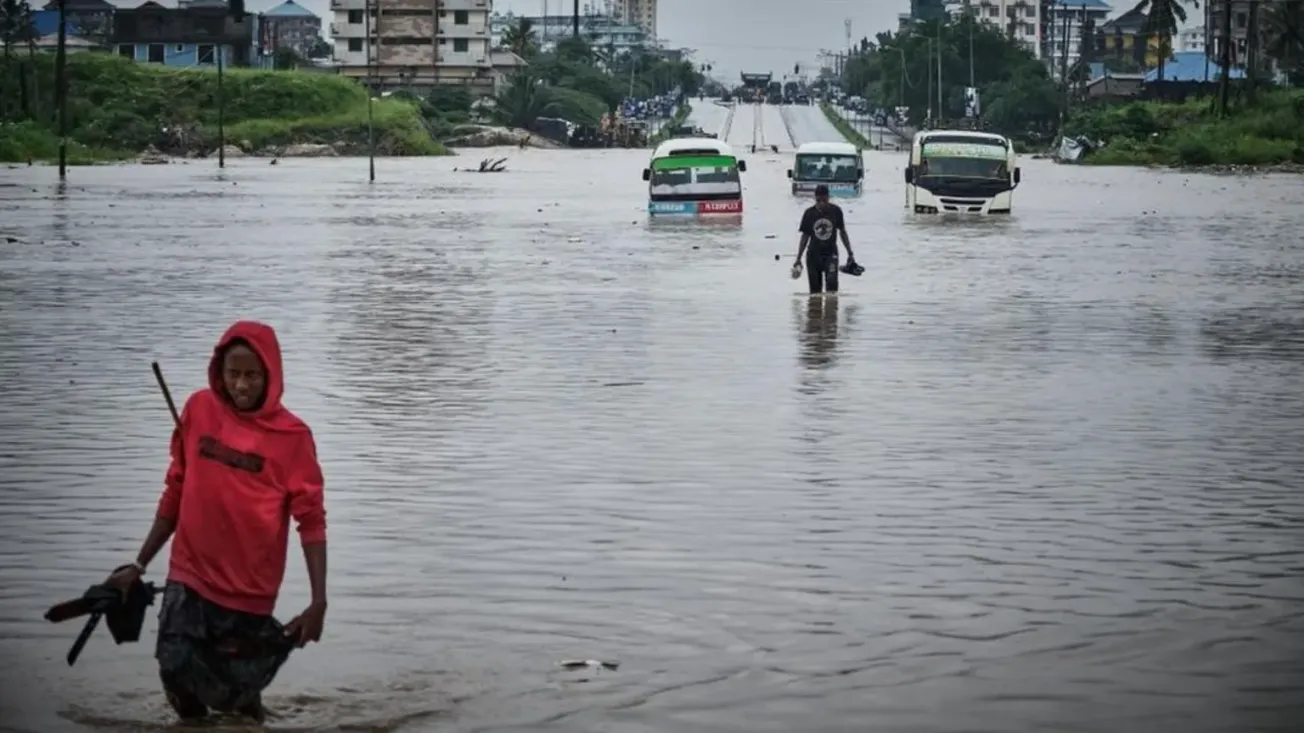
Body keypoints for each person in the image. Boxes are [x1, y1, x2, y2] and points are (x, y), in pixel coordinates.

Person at [106, 321, 328, 723]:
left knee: (237, 697)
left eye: (252, 375)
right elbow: (176, 488)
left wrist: (318, 600)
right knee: (174, 668)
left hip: (249, 588)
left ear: (270, 376)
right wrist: (138, 565)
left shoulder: (293, 438)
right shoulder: (197, 410)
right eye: (233, 374)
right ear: (220, 374)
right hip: (189, 573)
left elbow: (311, 522)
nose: (241, 385)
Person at [795, 184, 853, 295]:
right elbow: (805, 237)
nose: (821, 203)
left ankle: (831, 311)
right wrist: (798, 258)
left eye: (824, 200)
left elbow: (843, 232)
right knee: (815, 292)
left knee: (832, 288)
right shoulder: (809, 214)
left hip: (831, 254)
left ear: (828, 198)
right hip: (813, 256)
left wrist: (850, 253)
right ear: (815, 199)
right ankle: (815, 311)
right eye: (818, 200)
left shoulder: (836, 211)